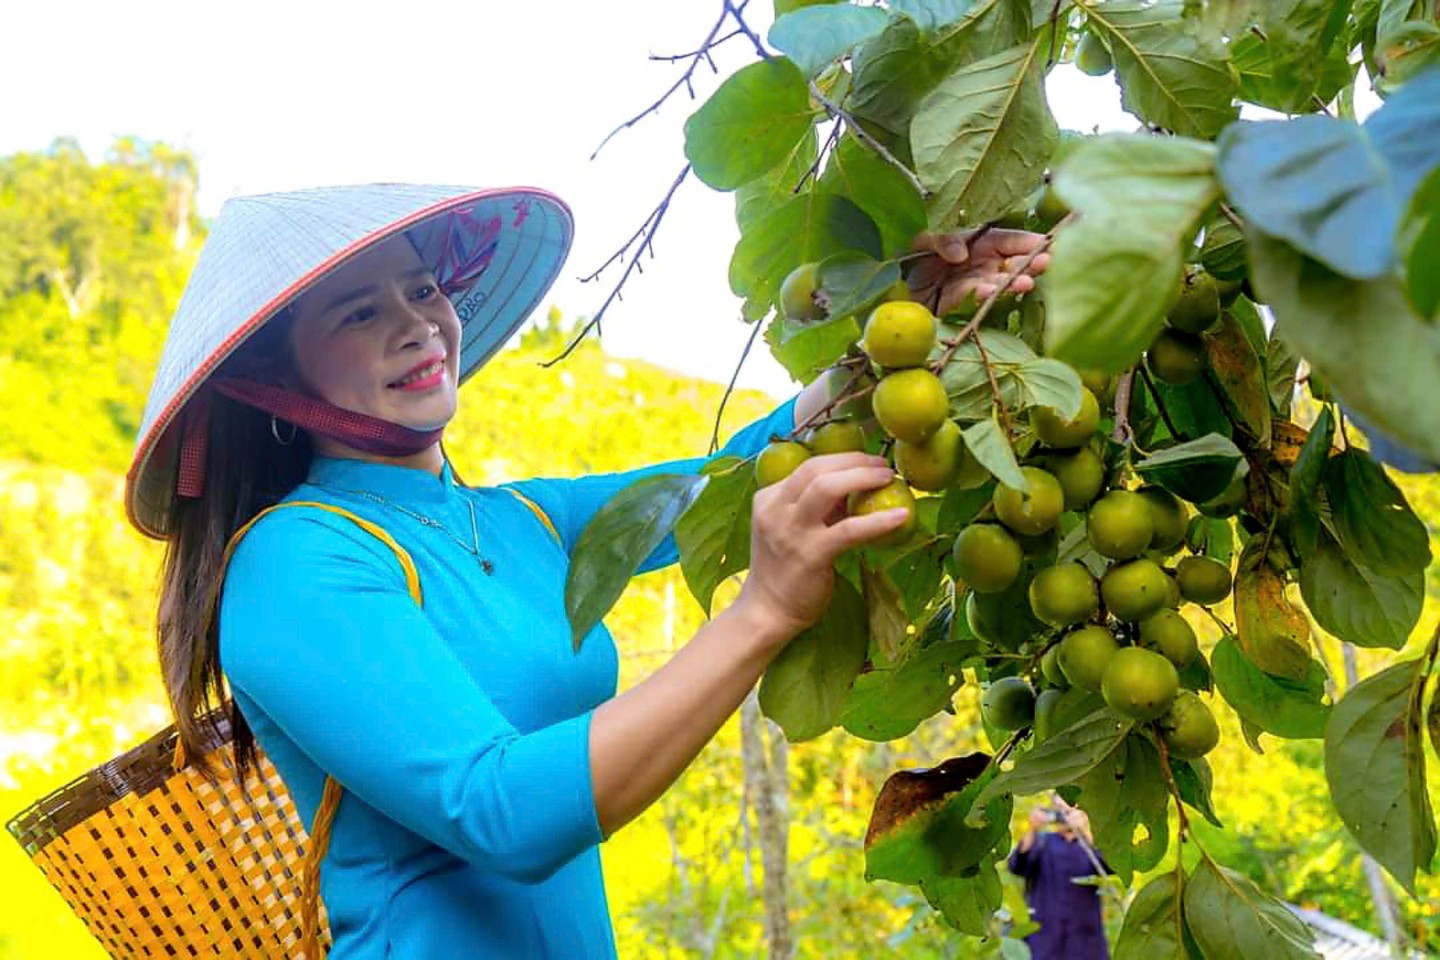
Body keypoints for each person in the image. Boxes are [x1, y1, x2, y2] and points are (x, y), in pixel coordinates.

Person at [128, 182, 1051, 958]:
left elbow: (729, 475)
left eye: (422, 290)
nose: (417, 326)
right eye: (361, 312)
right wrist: (760, 612)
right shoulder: (298, 559)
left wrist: (910, 324)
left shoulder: (518, 519)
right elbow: (495, 810)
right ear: (274, 383)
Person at [1007, 799, 1111, 959]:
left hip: (1086, 941)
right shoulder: (1043, 841)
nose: (1065, 817)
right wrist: (1032, 828)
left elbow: (1109, 867)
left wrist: (1085, 830)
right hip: (1045, 940)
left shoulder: (1089, 845)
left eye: (1069, 811)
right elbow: (1016, 866)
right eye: (1060, 811)